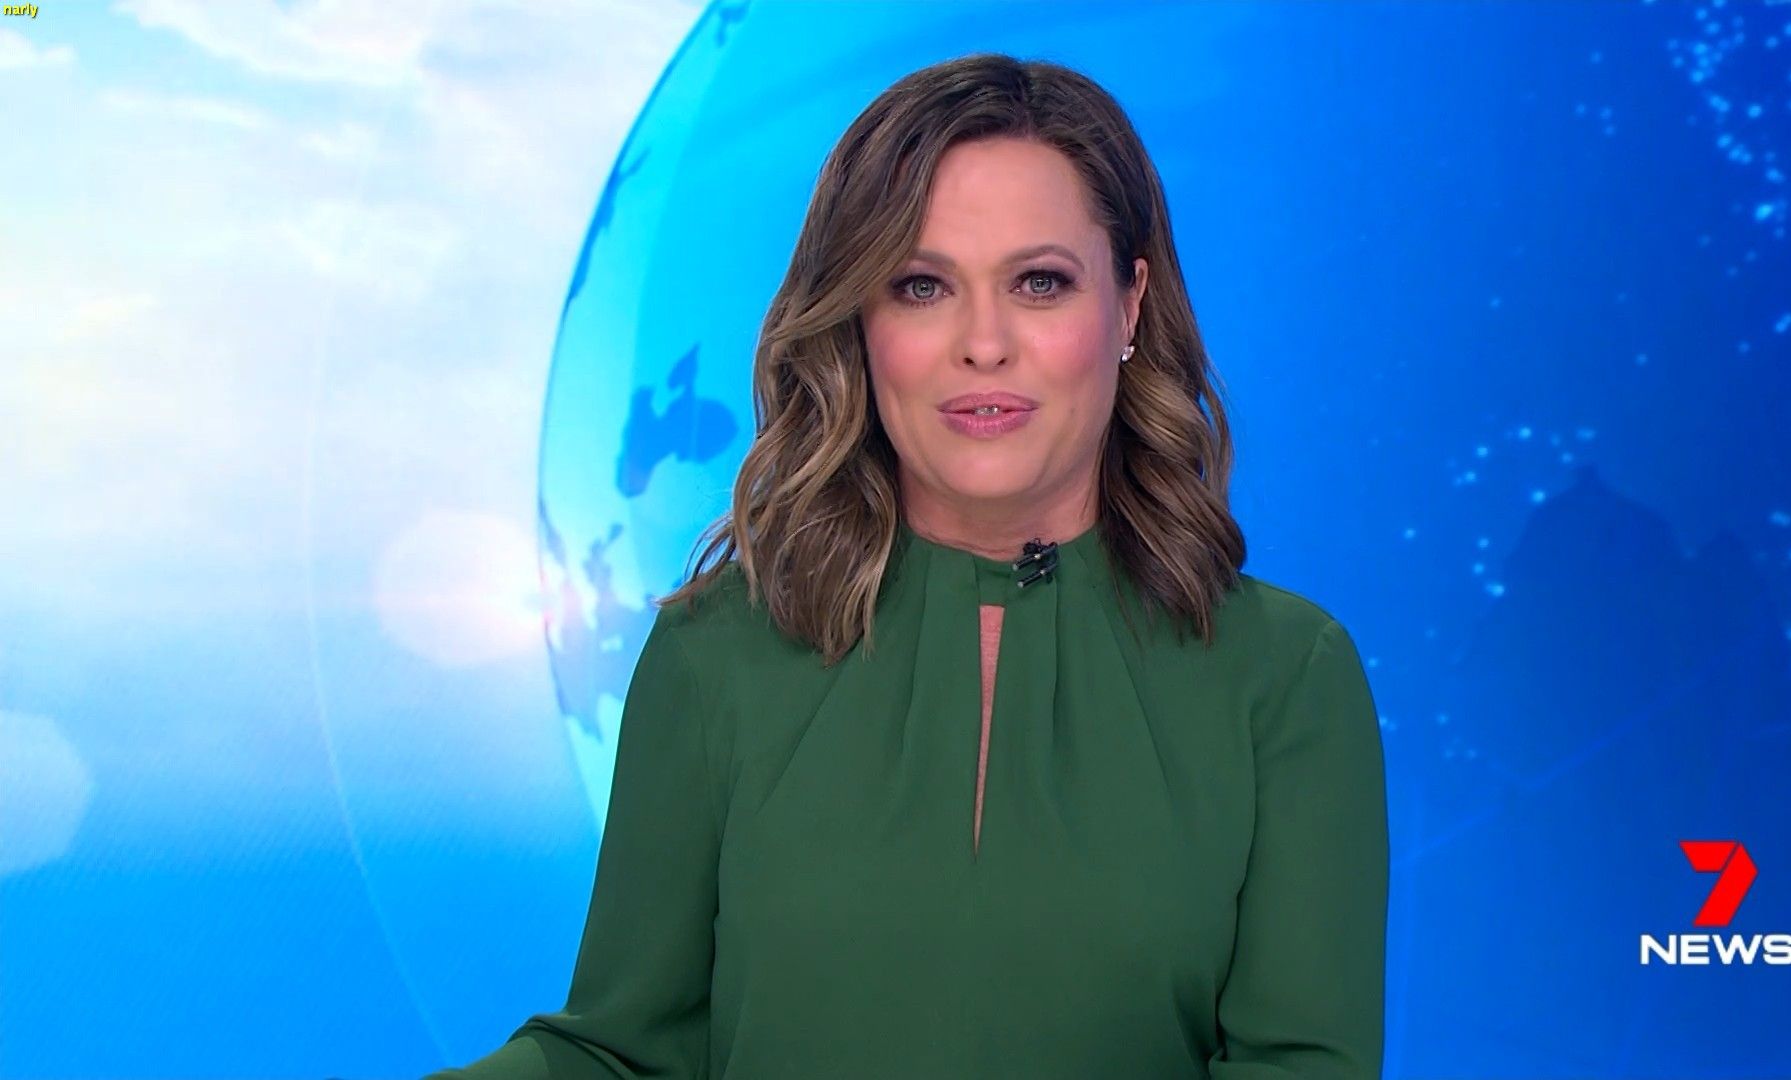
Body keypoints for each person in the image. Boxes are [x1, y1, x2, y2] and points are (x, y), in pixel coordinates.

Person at [429, 52, 1388, 1080]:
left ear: (1130, 305)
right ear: (861, 322)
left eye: (1039, 283)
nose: (984, 344)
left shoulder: (1285, 679)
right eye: (922, 286)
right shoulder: (714, 656)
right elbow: (623, 1053)